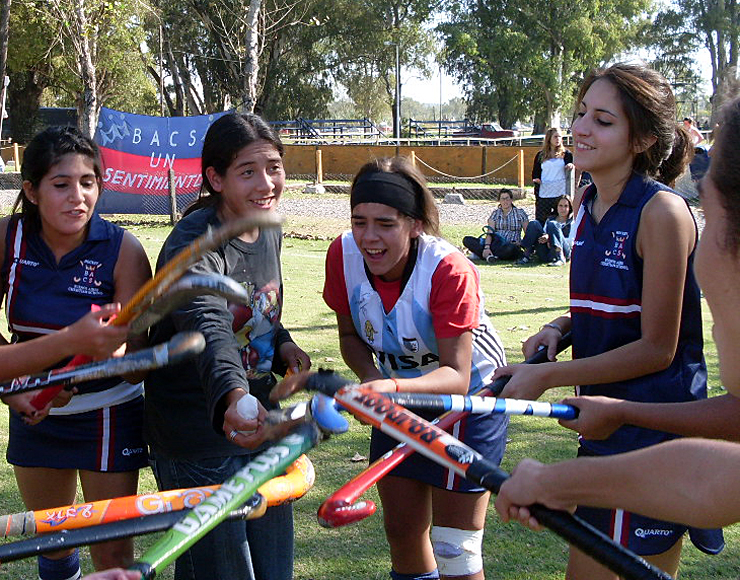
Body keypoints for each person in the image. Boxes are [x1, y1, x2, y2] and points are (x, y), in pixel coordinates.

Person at [491, 63, 724, 579]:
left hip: (651, 434)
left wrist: (549, 376)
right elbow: (606, 310)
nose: (580, 129)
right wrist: (560, 329)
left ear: (640, 138)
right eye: (579, 114)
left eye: (602, 120)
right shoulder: (590, 202)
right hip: (606, 428)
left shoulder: (661, 213)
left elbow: (656, 348)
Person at [321, 157, 509, 580]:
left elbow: (456, 375)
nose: (370, 238)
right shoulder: (342, 255)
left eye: (386, 224)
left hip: (469, 399)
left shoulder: (448, 270)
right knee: (403, 532)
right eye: (359, 221)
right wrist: (372, 382)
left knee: (453, 548)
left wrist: (385, 387)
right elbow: (351, 338)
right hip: (395, 391)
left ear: (416, 224)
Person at [144, 112, 311, 580]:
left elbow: (255, 312)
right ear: (215, 178)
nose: (267, 182)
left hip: (260, 422)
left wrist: (283, 344)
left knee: (274, 569)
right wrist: (234, 396)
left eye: (274, 166)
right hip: (198, 432)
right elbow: (207, 325)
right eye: (248, 171)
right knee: (222, 572)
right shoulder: (195, 241)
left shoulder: (266, 226)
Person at [0, 126, 152, 579]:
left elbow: (134, 363)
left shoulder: (123, 249)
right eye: (61, 184)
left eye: (88, 183)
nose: (78, 197)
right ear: (31, 190)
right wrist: (15, 391)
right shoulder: (8, 238)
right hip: (34, 412)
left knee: (112, 555)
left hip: (107, 413)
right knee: (53, 542)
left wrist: (91, 364)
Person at [462, 189, 528, 261]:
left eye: (507, 199)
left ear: (511, 200)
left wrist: (521, 244)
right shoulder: (495, 214)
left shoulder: (520, 213)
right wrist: (487, 247)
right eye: (502, 199)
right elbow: (490, 232)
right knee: (467, 240)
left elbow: (527, 233)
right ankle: (489, 254)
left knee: (510, 248)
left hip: (510, 244)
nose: (505, 201)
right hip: (495, 243)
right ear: (499, 201)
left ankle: (485, 255)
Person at [516, 195, 573, 266]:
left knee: (553, 224)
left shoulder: (573, 222)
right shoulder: (550, 219)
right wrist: (544, 238)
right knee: (534, 223)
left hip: (565, 252)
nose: (563, 209)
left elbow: (572, 242)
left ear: (570, 208)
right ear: (557, 207)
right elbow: (545, 233)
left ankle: (560, 258)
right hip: (547, 252)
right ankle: (526, 255)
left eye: (566, 206)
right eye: (560, 206)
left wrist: (552, 239)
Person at [532, 127, 574, 223]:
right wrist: (536, 179)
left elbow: (570, 164)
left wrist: (570, 165)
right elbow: (535, 172)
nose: (558, 139)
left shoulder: (566, 154)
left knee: (559, 218)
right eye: (555, 137)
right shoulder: (541, 155)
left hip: (560, 191)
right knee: (542, 219)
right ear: (549, 138)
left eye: (559, 136)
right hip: (545, 191)